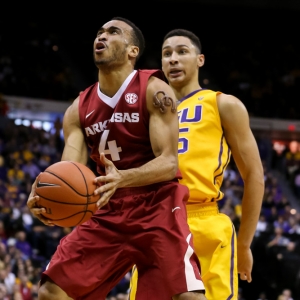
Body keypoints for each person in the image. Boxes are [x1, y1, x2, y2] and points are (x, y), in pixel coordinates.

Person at [26, 18, 206, 300]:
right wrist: (43, 193)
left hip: (156, 206)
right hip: (106, 208)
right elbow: (66, 170)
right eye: (99, 32)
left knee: (188, 297)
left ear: (133, 50)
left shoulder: (155, 90)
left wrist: (123, 177)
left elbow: (169, 163)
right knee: (53, 291)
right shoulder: (78, 109)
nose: (102, 36)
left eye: (113, 32)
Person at [129, 29, 265, 299]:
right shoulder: (147, 112)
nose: (173, 59)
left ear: (200, 59)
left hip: (203, 221)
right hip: (156, 224)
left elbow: (255, 175)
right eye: (166, 54)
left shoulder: (223, 104)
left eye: (182, 51)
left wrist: (246, 244)